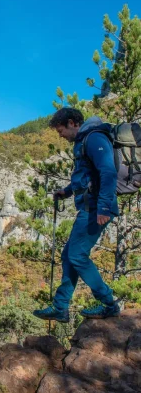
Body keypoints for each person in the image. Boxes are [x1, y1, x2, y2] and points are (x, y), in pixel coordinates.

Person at [33, 108, 120, 323]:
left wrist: (103, 208)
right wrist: (67, 191)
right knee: (68, 255)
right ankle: (60, 307)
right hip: (89, 207)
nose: (59, 135)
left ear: (72, 123)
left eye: (61, 130)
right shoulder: (82, 142)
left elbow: (108, 172)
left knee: (77, 256)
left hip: (95, 209)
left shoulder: (94, 138)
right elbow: (85, 177)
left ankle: (109, 303)